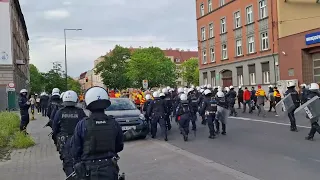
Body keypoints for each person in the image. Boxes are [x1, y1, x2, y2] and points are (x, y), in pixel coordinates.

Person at [71, 86, 124, 179]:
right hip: (109, 169)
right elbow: (119, 146)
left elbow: (75, 150)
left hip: (89, 171)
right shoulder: (113, 123)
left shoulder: (82, 124)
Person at [52, 90, 87, 177]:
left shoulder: (60, 112)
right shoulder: (80, 111)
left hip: (65, 141)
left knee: (67, 163)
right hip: (78, 140)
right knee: (79, 161)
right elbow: (86, 126)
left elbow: (55, 127)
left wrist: (56, 140)